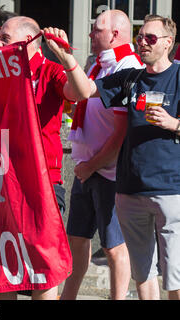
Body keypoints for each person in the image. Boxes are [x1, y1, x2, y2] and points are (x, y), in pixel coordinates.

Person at [0, 16, 90, 299]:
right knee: (3, 268)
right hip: (3, 182)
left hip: (44, 184)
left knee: (42, 269)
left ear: (28, 41)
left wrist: (66, 57)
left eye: (5, 38)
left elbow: (82, 92)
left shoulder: (49, 70)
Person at [90, 14, 180, 300]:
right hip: (130, 189)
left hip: (171, 190)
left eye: (150, 38)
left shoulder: (179, 77)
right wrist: (67, 61)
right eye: (140, 36)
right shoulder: (132, 77)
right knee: (143, 273)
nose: (142, 42)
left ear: (167, 43)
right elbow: (88, 90)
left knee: (176, 276)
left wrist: (174, 123)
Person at [60, 10, 143, 300]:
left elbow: (122, 133)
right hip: (87, 168)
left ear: (115, 35)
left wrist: (93, 165)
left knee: (113, 246)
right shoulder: (98, 64)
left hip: (108, 172)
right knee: (77, 239)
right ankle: (68, 296)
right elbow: (73, 94)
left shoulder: (128, 66)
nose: (91, 34)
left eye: (97, 30)